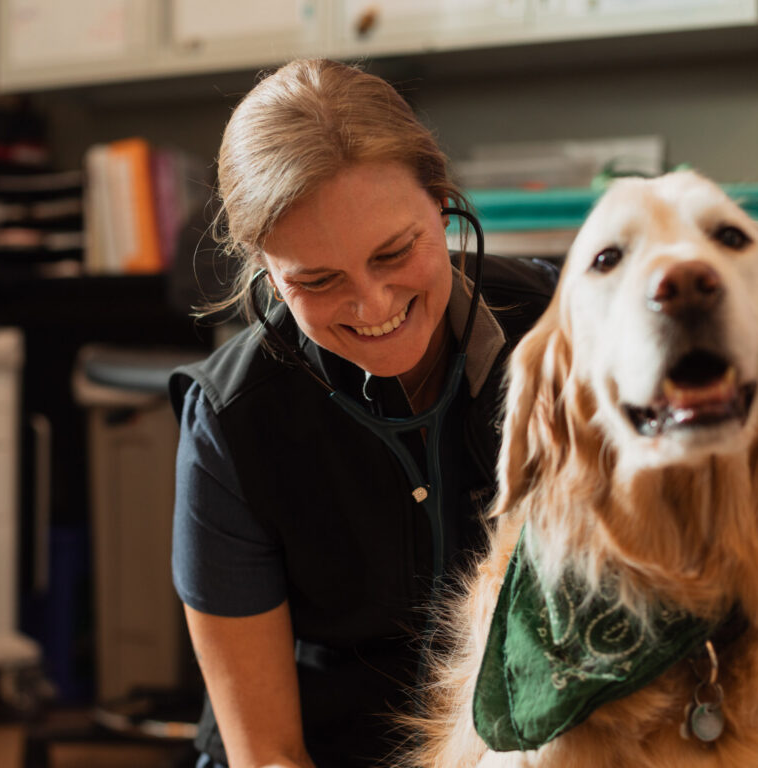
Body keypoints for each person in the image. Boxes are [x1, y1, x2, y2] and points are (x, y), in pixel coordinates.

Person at [168, 58, 558, 768]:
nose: (373, 307)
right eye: (317, 281)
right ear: (263, 268)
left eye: (396, 251)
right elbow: (269, 755)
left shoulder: (560, 332)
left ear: (440, 203)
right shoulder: (232, 425)